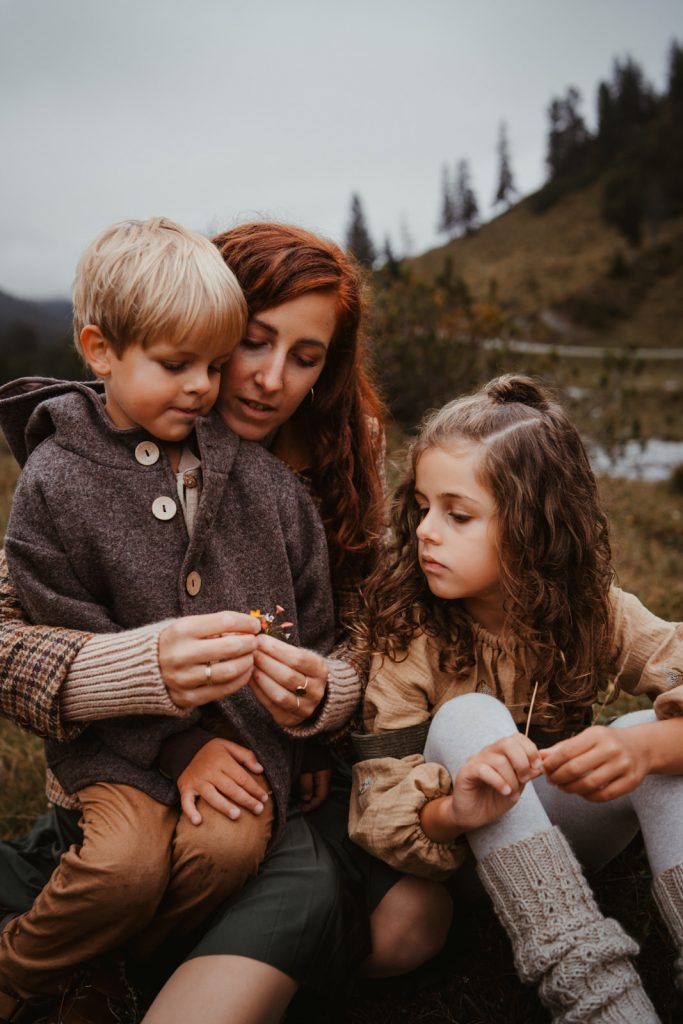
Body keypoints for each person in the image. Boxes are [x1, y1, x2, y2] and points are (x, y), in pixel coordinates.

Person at [0, 222, 451, 1024]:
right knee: (139, 865)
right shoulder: (76, 466)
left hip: (297, 765)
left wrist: (324, 695)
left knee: (400, 926)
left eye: (305, 357)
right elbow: (14, 629)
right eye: (252, 342)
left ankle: (126, 954)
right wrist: (146, 688)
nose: (269, 380)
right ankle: (87, 958)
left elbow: (367, 628)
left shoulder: (336, 457)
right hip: (137, 758)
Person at [349, 374, 683, 1023]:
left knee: (652, 734)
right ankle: (595, 994)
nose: (425, 531)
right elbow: (378, 805)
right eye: (422, 506)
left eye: (458, 515)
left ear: (534, 526)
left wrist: (648, 745)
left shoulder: (593, 612)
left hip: (563, 835)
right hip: (460, 854)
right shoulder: (408, 633)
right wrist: (455, 809)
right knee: (469, 716)